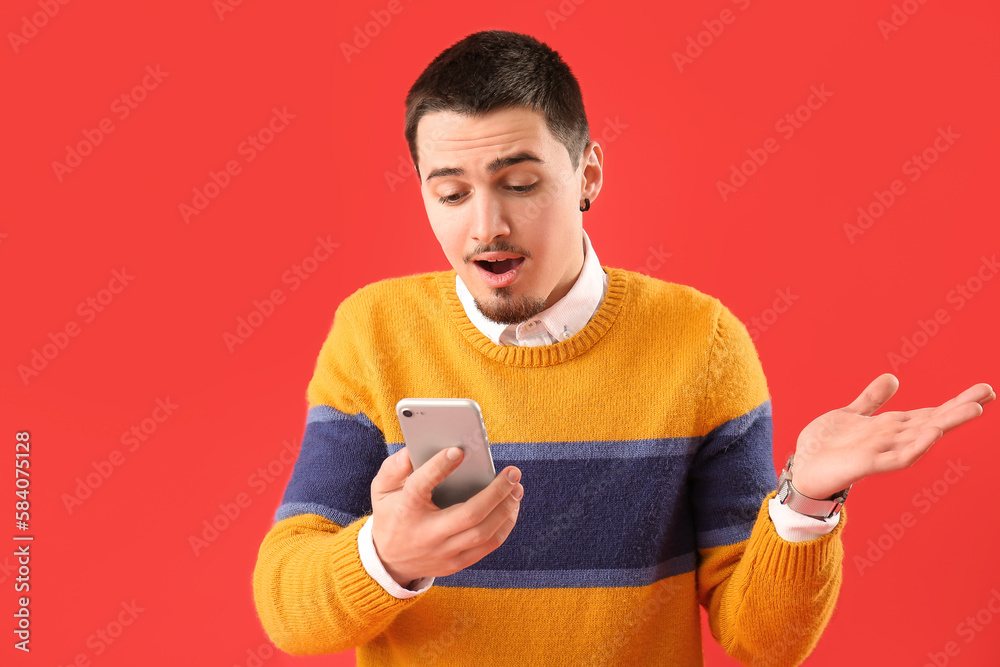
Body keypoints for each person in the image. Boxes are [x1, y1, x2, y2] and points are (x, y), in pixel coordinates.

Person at [252, 30, 994, 666]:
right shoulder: (374, 331)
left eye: (520, 183)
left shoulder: (702, 342)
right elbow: (287, 607)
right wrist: (385, 557)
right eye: (451, 194)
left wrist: (806, 501)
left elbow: (762, 641)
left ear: (588, 175)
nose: (485, 226)